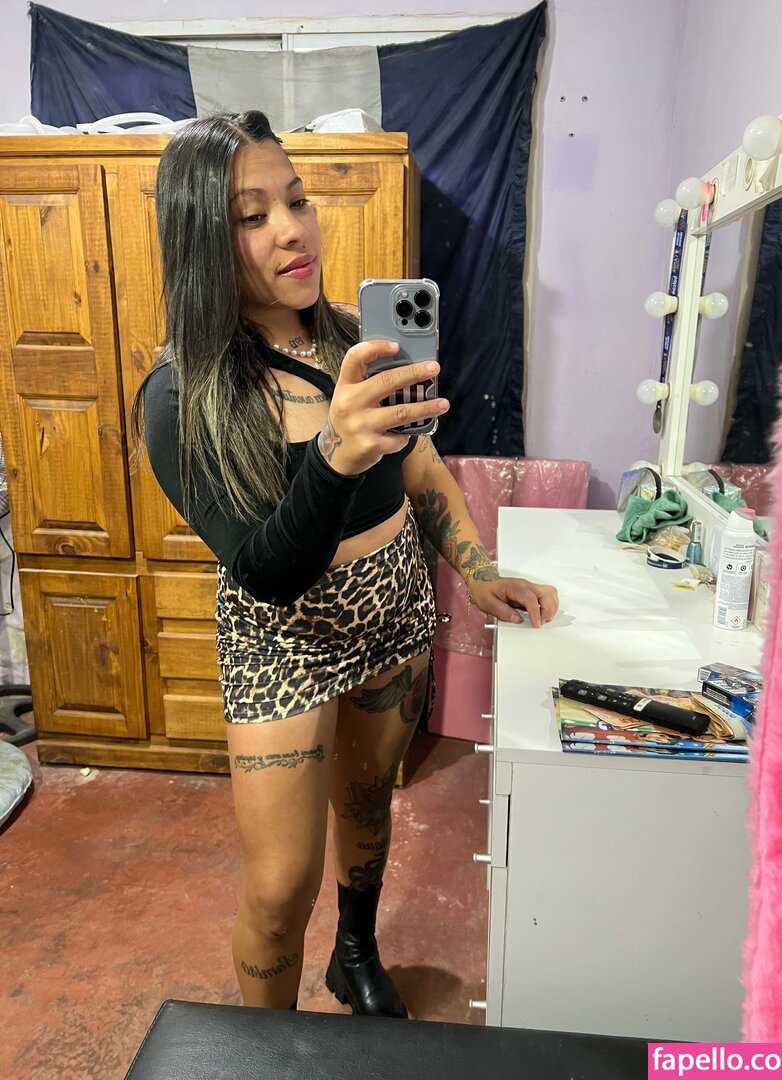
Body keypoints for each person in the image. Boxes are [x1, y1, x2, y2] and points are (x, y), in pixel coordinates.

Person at [133, 110, 559, 1018]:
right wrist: (334, 453)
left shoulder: (348, 340)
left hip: (393, 616)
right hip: (282, 645)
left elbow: (419, 466)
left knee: (366, 810)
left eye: (296, 200)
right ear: (202, 241)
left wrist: (477, 567)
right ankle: (270, 1053)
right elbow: (266, 571)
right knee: (278, 891)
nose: (293, 229)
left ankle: (355, 952)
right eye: (252, 216)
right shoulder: (182, 396)